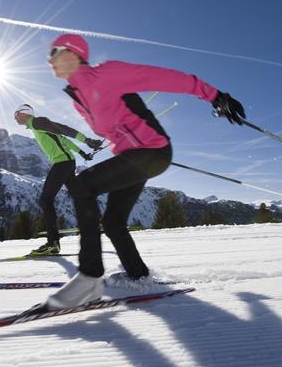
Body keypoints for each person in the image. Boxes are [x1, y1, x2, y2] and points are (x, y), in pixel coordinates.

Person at [40, 33, 245, 310]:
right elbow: (117, 124)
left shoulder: (108, 73)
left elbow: (166, 78)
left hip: (152, 152)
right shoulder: (79, 97)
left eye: (54, 51)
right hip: (134, 155)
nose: (49, 59)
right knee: (112, 221)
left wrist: (216, 96)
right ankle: (138, 275)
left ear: (73, 53)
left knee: (81, 186)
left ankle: (89, 278)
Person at [14, 103, 103, 255]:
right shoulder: (39, 126)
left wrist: (87, 140)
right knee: (78, 194)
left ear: (24, 113)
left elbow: (63, 129)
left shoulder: (37, 122)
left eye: (16, 114)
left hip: (62, 163)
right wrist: (83, 153)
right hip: (68, 162)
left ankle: (52, 243)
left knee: (45, 200)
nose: (15, 118)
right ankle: (98, 222)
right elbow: (64, 139)